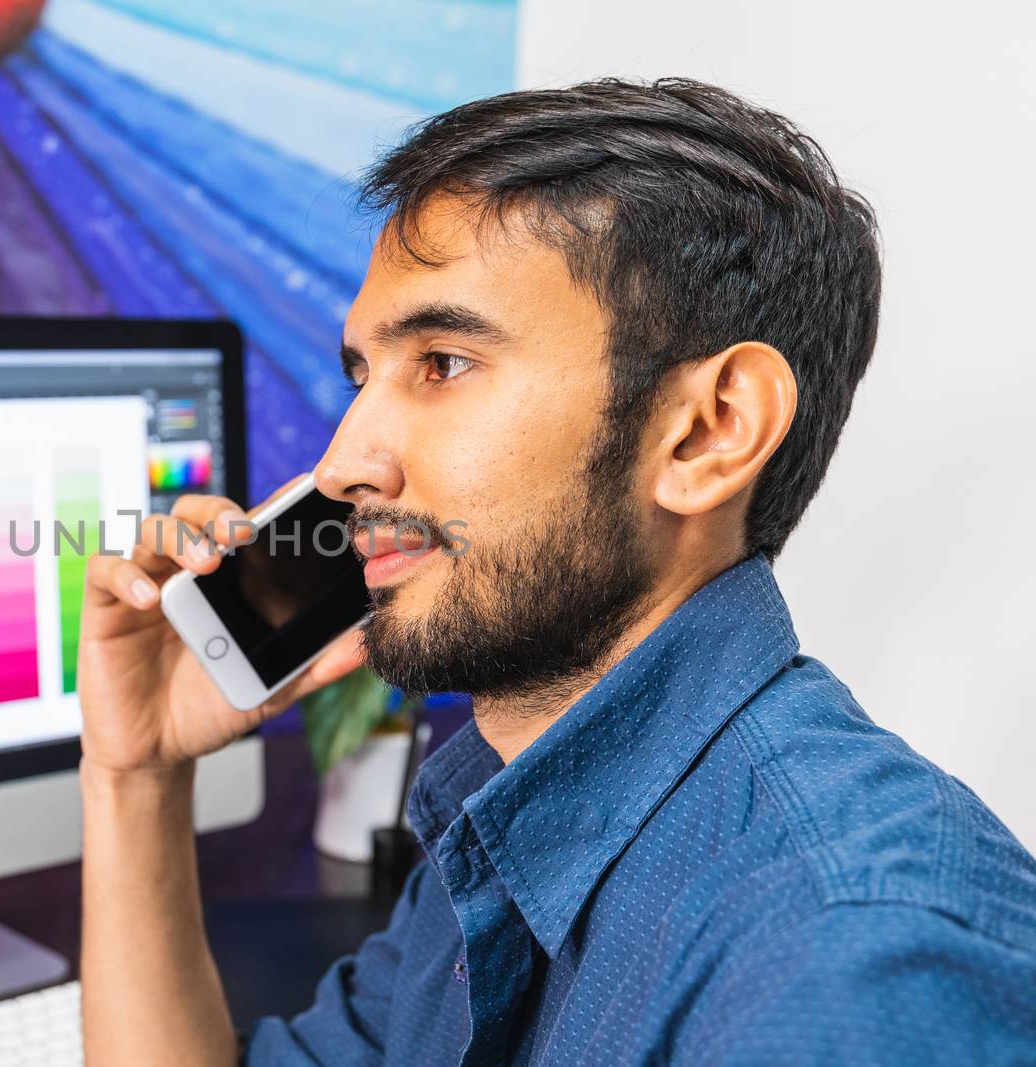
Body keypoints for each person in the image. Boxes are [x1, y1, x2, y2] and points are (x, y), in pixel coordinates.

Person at [74, 78, 1036, 1065]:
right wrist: (133, 775)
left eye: (441, 362)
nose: (342, 463)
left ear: (708, 431)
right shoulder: (508, 812)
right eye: (363, 375)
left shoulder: (854, 970)